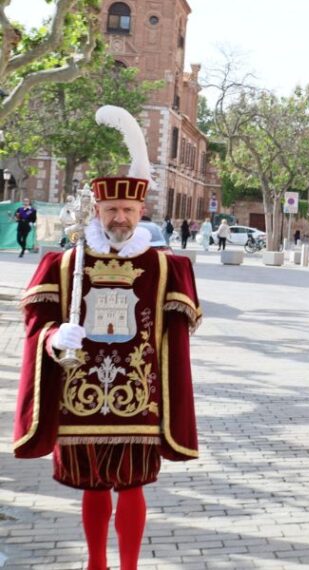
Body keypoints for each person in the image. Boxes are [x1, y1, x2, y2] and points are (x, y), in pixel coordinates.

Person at [13, 105, 200, 570]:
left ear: (142, 210)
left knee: (132, 486)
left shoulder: (163, 266)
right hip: (81, 396)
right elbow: (37, 325)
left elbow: (180, 330)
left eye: (128, 209)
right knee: (95, 487)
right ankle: (96, 563)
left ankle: (130, 566)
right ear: (97, 210)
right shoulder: (64, 264)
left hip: (139, 398)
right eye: (112, 208)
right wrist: (55, 336)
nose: (120, 216)